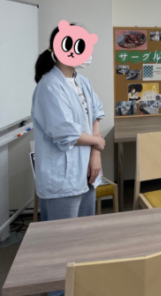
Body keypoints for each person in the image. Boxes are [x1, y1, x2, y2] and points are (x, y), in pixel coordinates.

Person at [32, 24, 105, 296]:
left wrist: (95, 154)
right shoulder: (49, 86)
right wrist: (97, 142)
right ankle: (59, 292)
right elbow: (64, 133)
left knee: (83, 239)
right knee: (62, 246)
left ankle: (80, 288)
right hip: (62, 177)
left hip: (87, 171)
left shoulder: (82, 81)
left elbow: (96, 114)